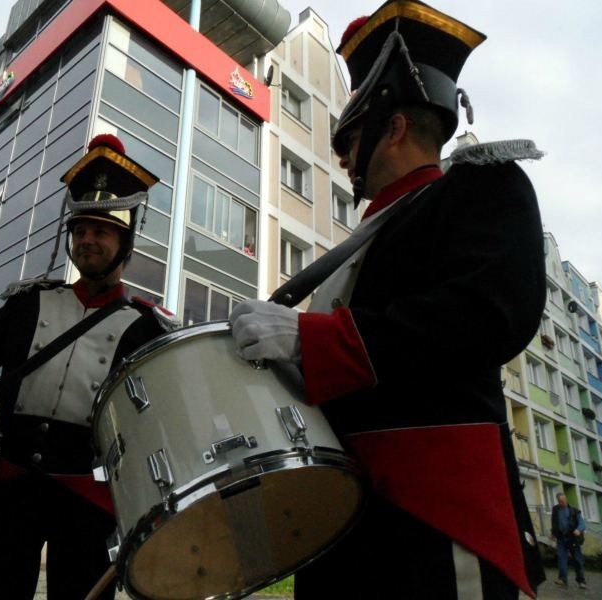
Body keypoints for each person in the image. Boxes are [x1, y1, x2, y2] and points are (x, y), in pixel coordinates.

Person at [229, 1, 546, 598]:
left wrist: (311, 339)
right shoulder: (355, 249)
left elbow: (491, 311)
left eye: (348, 138)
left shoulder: (482, 186)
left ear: (393, 127)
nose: (342, 157)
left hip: (434, 517)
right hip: (342, 525)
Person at [0, 134, 176, 600]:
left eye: (101, 231)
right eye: (80, 230)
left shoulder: (147, 326)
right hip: (8, 486)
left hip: (87, 499)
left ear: (125, 244)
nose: (87, 240)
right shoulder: (30, 304)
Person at [551, 493, 587, 589]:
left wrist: (578, 530)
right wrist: (553, 533)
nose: (561, 503)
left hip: (572, 538)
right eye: (559, 501)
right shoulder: (556, 509)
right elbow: (554, 522)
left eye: (562, 501)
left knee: (577, 559)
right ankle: (563, 580)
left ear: (566, 500)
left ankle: (581, 581)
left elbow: (582, 524)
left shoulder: (574, 511)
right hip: (561, 538)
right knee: (561, 558)